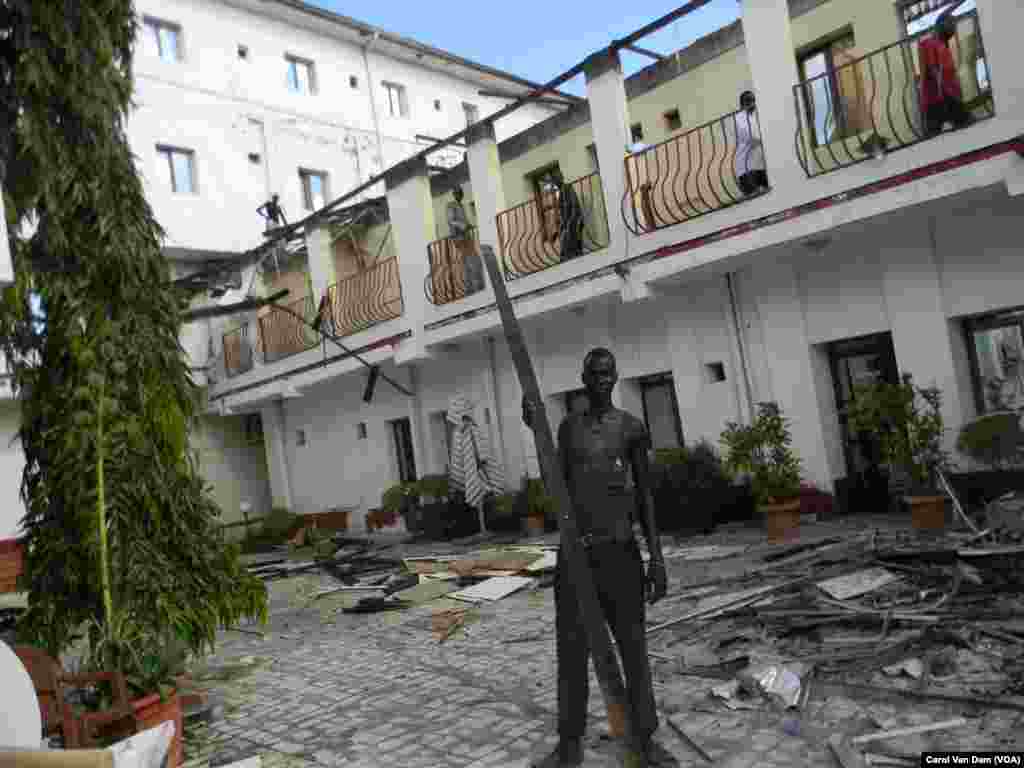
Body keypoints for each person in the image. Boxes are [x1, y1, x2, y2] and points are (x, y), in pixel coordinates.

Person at [523, 348, 668, 768]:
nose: (602, 379)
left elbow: (645, 497)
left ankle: (645, 740)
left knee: (634, 650)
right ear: (584, 378)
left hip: (621, 553)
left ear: (616, 377)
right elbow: (556, 482)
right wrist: (536, 431)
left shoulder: (632, 428)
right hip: (576, 557)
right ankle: (568, 746)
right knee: (571, 652)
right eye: (595, 374)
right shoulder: (569, 429)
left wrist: (656, 557)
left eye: (608, 373)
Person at [918, 7, 972, 137]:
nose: (954, 29)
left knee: (963, 128)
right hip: (939, 98)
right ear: (942, 25)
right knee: (966, 124)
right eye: (951, 24)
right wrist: (945, 92)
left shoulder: (942, 45)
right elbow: (933, 69)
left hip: (944, 97)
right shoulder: (930, 43)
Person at [446, 187, 484, 297]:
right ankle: (470, 288)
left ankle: (473, 287)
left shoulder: (461, 206)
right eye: (457, 193)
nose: (460, 195)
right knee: (469, 261)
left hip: (465, 236)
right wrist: (463, 226)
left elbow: (462, 221)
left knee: (472, 260)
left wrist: (468, 225)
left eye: (461, 193)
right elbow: (451, 221)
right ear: (454, 194)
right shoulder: (451, 205)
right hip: (459, 238)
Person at [735, 90, 769, 197]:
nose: (752, 103)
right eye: (748, 100)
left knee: (767, 195)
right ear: (742, 104)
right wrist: (763, 138)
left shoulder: (754, 117)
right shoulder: (739, 117)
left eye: (753, 100)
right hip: (747, 167)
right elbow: (748, 136)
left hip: (759, 164)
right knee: (754, 197)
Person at [547, 170, 585, 262]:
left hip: (574, 220)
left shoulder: (568, 187)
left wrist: (570, 222)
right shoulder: (560, 193)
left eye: (556, 179)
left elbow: (574, 205)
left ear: (561, 178)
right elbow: (561, 213)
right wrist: (558, 229)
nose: (555, 182)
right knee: (564, 235)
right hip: (567, 222)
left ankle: (569, 255)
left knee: (568, 235)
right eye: (554, 180)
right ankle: (566, 256)